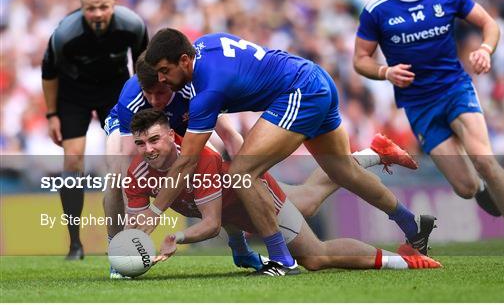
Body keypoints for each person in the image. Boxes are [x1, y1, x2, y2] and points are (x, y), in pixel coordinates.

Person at [136, 28, 436, 277]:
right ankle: (411, 224)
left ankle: (281, 259)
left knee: (241, 173)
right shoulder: (205, 45)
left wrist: (154, 211)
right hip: (314, 80)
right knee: (341, 172)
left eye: (165, 71)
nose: (161, 80)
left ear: (185, 60)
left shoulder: (208, 90)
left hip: (299, 93)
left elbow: (187, 161)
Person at [353, 0, 504, 255]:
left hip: (455, 88)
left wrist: (485, 50)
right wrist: (385, 72)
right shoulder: (377, 10)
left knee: (484, 158)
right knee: (464, 187)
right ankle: (479, 188)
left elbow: (489, 24)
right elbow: (360, 60)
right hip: (419, 105)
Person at [126, 109, 441, 274]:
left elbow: (210, 221)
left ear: (171, 135)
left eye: (154, 140)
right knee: (310, 196)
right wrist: (124, 258)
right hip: (239, 207)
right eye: (140, 143)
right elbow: (215, 213)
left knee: (315, 256)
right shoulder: (137, 173)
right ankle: (374, 152)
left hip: (259, 199)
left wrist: (176, 239)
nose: (148, 149)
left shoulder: (199, 158)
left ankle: (408, 262)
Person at [104, 55, 243, 278]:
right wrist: (131, 233)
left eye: (160, 93)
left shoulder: (193, 88)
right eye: (147, 93)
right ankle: (116, 250)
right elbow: (128, 156)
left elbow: (229, 135)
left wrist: (252, 178)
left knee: (214, 158)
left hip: (174, 123)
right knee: (114, 178)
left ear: (170, 81)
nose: (154, 99)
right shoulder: (131, 99)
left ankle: (238, 242)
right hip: (137, 128)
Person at [41, 0, 148, 260]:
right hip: (73, 94)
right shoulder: (65, 34)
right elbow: (49, 74)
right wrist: (52, 115)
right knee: (73, 160)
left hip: (114, 90)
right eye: (91, 9)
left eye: (104, 7)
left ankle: (128, 236)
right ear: (82, 9)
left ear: (114, 6)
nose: (98, 14)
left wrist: (144, 107)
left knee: (122, 158)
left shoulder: (132, 25)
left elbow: (142, 66)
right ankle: (75, 243)